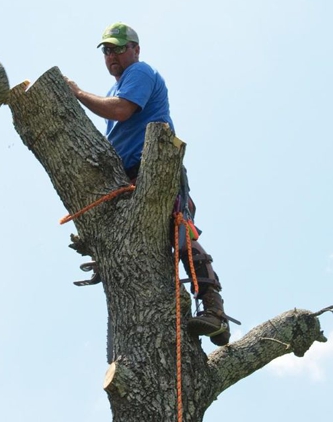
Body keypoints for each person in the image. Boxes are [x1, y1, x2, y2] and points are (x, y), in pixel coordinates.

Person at [65, 22, 238, 346]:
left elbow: (121, 111)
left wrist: (76, 93)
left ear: (135, 49)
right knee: (145, 243)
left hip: (153, 168)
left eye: (118, 48)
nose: (112, 55)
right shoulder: (117, 87)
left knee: (180, 231)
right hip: (128, 177)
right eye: (106, 50)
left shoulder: (140, 73)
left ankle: (214, 311)